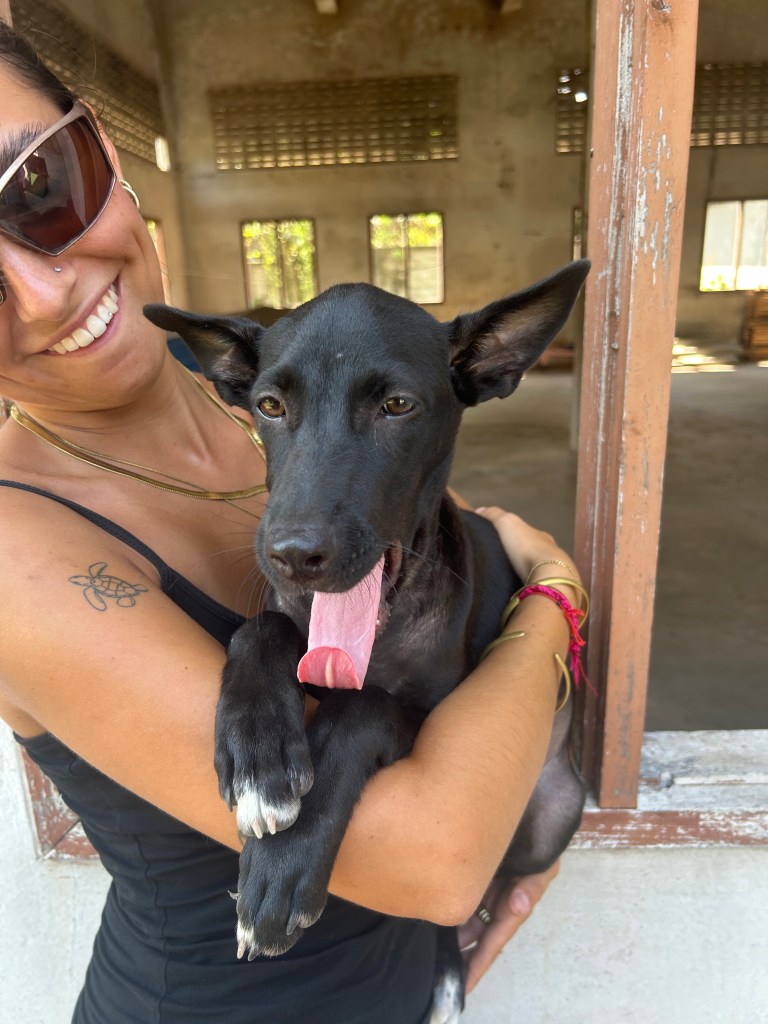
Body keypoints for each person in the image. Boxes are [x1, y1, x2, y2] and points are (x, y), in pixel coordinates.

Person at [0, 21, 580, 1024]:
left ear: (103, 152)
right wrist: (557, 596)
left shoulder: (283, 409)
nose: (45, 291)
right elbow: (441, 857)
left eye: (37, 187)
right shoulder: (17, 551)